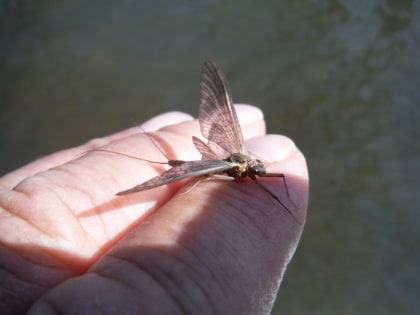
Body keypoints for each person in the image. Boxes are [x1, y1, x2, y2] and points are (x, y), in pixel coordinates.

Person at [0, 105, 308, 315]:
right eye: (256, 166)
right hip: (203, 166)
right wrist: (287, 205)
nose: (259, 168)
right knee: (182, 176)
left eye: (257, 166)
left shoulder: (246, 165)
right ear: (248, 166)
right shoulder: (236, 165)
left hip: (211, 163)